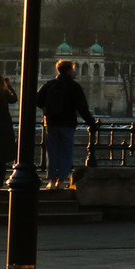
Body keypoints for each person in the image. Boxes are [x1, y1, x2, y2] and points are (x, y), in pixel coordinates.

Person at [38, 60, 97, 189]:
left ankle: (51, 180)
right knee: (66, 151)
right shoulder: (74, 87)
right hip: (68, 123)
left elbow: (37, 100)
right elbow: (82, 108)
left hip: (51, 123)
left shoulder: (49, 85)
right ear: (70, 70)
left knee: (52, 151)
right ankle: (61, 180)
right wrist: (91, 123)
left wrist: (46, 109)